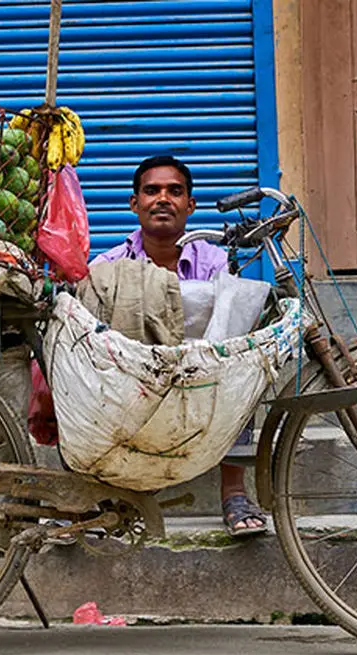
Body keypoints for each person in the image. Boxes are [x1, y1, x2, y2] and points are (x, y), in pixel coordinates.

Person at [92, 155, 267, 537]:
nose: (162, 199)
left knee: (245, 363)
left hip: (201, 383)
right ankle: (102, 495)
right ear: (134, 203)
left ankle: (234, 492)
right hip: (136, 386)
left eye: (175, 191)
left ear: (191, 205)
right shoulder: (110, 268)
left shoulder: (217, 264)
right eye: (151, 191)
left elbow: (230, 329)